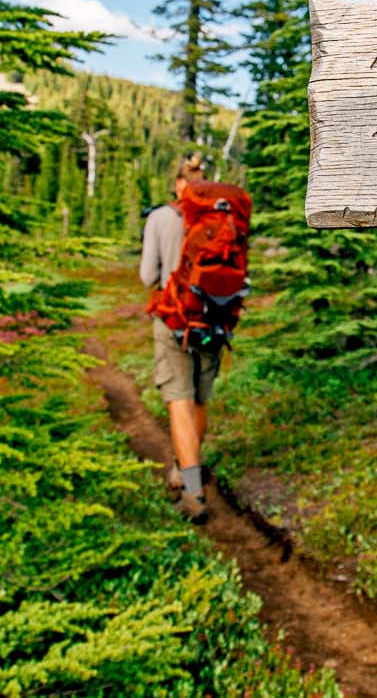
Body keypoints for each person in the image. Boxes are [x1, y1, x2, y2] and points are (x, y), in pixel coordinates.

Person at [139, 156, 223, 523]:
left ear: (178, 183)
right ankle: (184, 466)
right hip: (214, 321)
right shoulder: (221, 216)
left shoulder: (160, 217)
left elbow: (147, 276)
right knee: (200, 398)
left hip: (174, 321)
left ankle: (192, 493)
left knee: (179, 400)